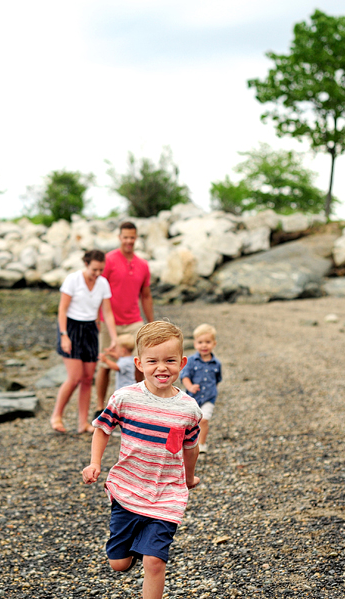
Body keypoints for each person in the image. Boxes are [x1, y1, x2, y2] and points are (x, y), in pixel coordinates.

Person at [82, 321, 201, 599]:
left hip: (166, 494)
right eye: (153, 361)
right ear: (139, 363)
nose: (162, 367)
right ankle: (135, 547)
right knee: (119, 564)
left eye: (170, 360)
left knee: (155, 562)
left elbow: (190, 447)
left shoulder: (188, 409)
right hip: (128, 489)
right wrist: (95, 462)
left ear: (182, 362)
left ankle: (149, 551)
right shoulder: (125, 398)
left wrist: (188, 477)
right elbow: (102, 429)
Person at [50, 249, 118, 434]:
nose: (97, 273)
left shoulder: (103, 283)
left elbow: (108, 313)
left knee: (88, 378)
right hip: (71, 328)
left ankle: (83, 423)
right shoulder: (73, 279)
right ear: (86, 264)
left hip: (90, 329)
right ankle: (56, 415)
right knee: (74, 378)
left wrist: (113, 337)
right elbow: (62, 310)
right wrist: (64, 335)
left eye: (100, 270)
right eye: (94, 269)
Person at [95, 221, 155, 412]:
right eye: (125, 237)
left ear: (136, 238)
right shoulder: (109, 260)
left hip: (133, 322)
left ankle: (138, 403)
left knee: (140, 364)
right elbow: (98, 291)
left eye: (132, 237)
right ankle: (100, 406)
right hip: (108, 321)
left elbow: (145, 296)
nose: (129, 241)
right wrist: (97, 320)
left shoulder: (143, 265)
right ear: (119, 238)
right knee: (104, 364)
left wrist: (151, 324)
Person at [180, 324, 222, 454]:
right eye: (200, 342)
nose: (204, 345)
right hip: (193, 398)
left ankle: (202, 444)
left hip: (209, 397)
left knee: (204, 420)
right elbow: (184, 376)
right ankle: (186, 443)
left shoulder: (216, 363)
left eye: (208, 342)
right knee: (190, 422)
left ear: (214, 344)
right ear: (195, 343)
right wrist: (190, 387)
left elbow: (217, 379)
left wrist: (212, 390)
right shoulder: (191, 361)